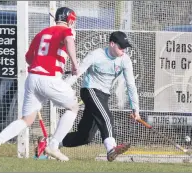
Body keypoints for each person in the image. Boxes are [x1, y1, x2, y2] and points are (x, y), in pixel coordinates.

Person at [0, 7, 79, 163]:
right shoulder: (67, 32)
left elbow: (29, 58)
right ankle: (53, 145)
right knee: (73, 107)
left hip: (33, 78)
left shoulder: (41, 33)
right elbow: (69, 40)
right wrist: (75, 64)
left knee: (27, 119)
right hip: (49, 78)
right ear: (70, 20)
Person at [37, 31, 141, 162]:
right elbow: (77, 73)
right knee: (106, 116)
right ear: (112, 44)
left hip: (104, 95)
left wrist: (135, 109)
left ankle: (49, 143)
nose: (123, 50)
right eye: (121, 47)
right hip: (90, 90)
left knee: (85, 137)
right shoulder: (96, 55)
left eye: (125, 47)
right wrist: (59, 90)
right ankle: (111, 148)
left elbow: (131, 85)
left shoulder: (125, 60)